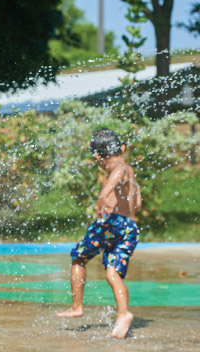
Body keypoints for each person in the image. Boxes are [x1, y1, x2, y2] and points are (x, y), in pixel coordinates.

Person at [57, 128, 142, 339]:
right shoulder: (130, 172)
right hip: (130, 228)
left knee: (78, 257)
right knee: (113, 273)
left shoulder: (119, 168)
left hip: (110, 224)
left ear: (97, 157)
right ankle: (123, 314)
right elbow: (138, 204)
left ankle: (77, 306)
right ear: (122, 148)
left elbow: (116, 174)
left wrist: (103, 195)